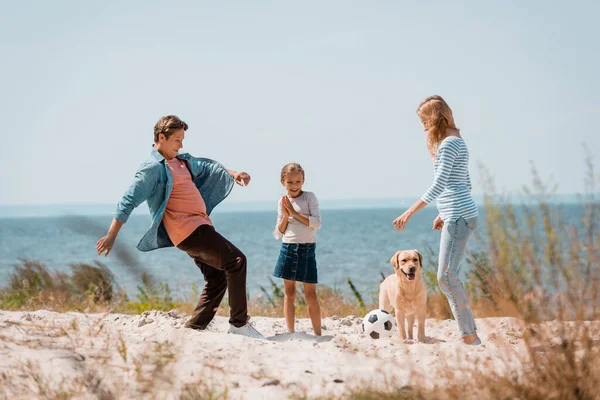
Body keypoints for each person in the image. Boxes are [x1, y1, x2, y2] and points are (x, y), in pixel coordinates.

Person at [96, 115, 265, 339]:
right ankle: (239, 324)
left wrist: (233, 174)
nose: (181, 145)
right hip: (188, 230)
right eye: (177, 140)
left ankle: (195, 328)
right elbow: (128, 200)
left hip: (200, 225)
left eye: (183, 139)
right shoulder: (152, 169)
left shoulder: (182, 160)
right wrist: (111, 235)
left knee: (217, 277)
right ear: (161, 137)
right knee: (236, 261)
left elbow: (207, 166)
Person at [392, 95, 481, 345]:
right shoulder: (457, 141)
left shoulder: (449, 144)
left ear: (434, 117)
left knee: (447, 277)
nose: (421, 125)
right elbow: (464, 183)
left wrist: (409, 212)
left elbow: (440, 184)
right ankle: (470, 335)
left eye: (423, 120)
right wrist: (442, 212)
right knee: (449, 276)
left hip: (459, 216)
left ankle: (470, 336)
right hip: (460, 214)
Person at [273, 163, 322, 336]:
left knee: (310, 294)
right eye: (290, 182)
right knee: (289, 293)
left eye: (298, 181)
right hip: (288, 248)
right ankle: (290, 332)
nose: (294, 186)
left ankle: (318, 333)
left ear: (303, 181)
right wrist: (286, 215)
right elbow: (278, 233)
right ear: (283, 182)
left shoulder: (309, 197)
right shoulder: (282, 201)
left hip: (307, 249)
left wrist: (294, 213)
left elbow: (317, 223)